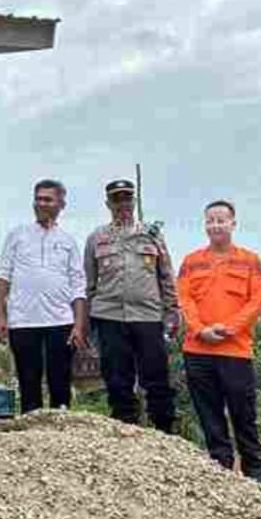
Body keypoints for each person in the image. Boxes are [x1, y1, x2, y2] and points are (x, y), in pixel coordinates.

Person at [177, 200, 261, 485]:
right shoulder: (191, 261)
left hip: (236, 352)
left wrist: (228, 329)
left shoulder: (251, 261)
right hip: (197, 350)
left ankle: (254, 474)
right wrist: (200, 329)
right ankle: (221, 472)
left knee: (244, 415)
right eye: (210, 220)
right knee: (209, 414)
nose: (215, 225)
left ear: (233, 223)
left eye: (221, 220)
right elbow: (184, 299)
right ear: (205, 224)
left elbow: (257, 301)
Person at [83, 179, 180, 432]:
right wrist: (86, 322)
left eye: (127, 198)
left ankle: (164, 430)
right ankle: (125, 430)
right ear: (108, 204)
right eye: (117, 199)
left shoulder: (152, 234)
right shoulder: (96, 238)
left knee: (157, 376)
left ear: (134, 201)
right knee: (116, 379)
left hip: (147, 316)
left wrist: (172, 311)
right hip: (109, 316)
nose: (122, 204)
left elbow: (166, 276)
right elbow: (89, 283)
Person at [0, 179, 87, 413]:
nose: (41, 203)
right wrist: (1, 316)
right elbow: (3, 276)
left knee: (60, 380)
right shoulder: (17, 235)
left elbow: (78, 284)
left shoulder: (68, 241)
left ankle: (61, 430)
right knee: (28, 380)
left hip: (61, 321)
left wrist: (78, 324)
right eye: (38, 198)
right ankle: (31, 433)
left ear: (61, 204)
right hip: (23, 320)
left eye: (47, 199)